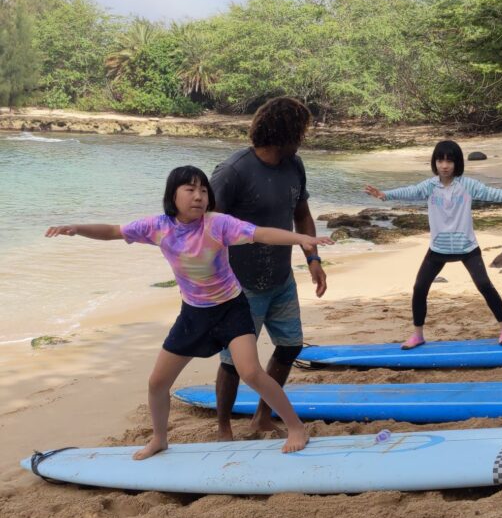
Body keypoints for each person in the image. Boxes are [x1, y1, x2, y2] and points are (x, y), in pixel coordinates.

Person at [46, 165, 334, 458]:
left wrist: (300, 239)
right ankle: (159, 439)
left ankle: (295, 427)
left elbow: (260, 234)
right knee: (157, 382)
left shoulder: (217, 224)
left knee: (250, 372)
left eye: (203, 190)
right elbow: (113, 231)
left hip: (231, 309)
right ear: (173, 195)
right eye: (190, 189)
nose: (198, 196)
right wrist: (77, 228)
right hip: (194, 315)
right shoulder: (158, 227)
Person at [364, 139, 502, 349]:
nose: (445, 165)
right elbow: (409, 191)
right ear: (435, 162)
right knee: (420, 288)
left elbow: (497, 194)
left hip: (466, 247)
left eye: (450, 161)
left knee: (484, 285)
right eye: (440, 160)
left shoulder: (468, 185)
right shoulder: (430, 186)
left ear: (457, 163)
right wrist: (385, 195)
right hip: (438, 248)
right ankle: (418, 334)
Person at [210, 96, 327, 441]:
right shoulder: (232, 172)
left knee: (290, 347)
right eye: (301, 130)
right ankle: (223, 427)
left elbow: (301, 214)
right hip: (239, 285)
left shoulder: (294, 165)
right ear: (284, 132)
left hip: (280, 278)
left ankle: (262, 416)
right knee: (233, 362)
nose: (304, 137)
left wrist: (313, 258)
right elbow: (206, 228)